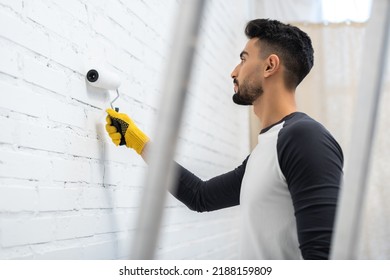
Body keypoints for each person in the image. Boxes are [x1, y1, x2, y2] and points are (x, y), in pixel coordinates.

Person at [105, 19, 344, 260]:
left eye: (243, 59)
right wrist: (137, 141)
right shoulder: (268, 147)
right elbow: (201, 196)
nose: (234, 71)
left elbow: (325, 256)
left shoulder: (304, 137)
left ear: (270, 66)